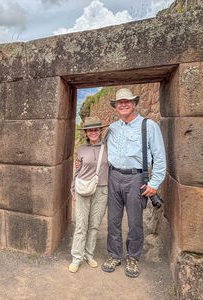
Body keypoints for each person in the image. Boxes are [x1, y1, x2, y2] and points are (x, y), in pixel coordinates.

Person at [102, 88, 166, 278]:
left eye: (127, 101)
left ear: (134, 104)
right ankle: (114, 255)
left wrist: (154, 183)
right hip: (113, 176)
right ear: (116, 106)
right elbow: (101, 151)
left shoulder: (148, 126)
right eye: (119, 102)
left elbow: (159, 157)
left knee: (135, 222)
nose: (123, 104)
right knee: (113, 220)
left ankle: (133, 257)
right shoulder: (113, 128)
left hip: (136, 178)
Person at [69, 117, 109, 273]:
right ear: (86, 132)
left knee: (94, 224)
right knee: (81, 224)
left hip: (101, 189)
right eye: (90, 130)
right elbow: (77, 171)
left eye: (96, 129)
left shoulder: (107, 148)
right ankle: (76, 257)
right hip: (83, 189)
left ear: (100, 131)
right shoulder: (81, 149)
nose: (93, 132)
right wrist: (73, 190)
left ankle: (89, 254)